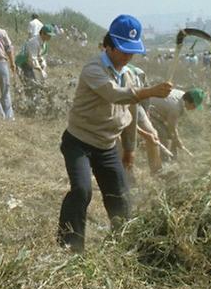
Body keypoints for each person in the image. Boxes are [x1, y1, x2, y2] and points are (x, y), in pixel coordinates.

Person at [57, 15, 173, 252]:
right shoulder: (93, 69)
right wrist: (150, 91)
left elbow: (129, 116)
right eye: (122, 51)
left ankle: (123, 243)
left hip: (107, 146)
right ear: (107, 46)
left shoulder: (128, 75)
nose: (127, 57)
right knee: (82, 190)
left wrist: (129, 150)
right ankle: (70, 246)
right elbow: (115, 95)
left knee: (120, 197)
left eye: (131, 52)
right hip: (79, 142)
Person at [146, 87, 205, 157]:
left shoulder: (181, 95)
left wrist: (176, 140)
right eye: (194, 106)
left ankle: (173, 155)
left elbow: (172, 128)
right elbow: (172, 129)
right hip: (148, 111)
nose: (194, 109)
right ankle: (164, 159)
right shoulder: (175, 108)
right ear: (189, 102)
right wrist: (178, 142)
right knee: (163, 136)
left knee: (172, 136)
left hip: (155, 107)